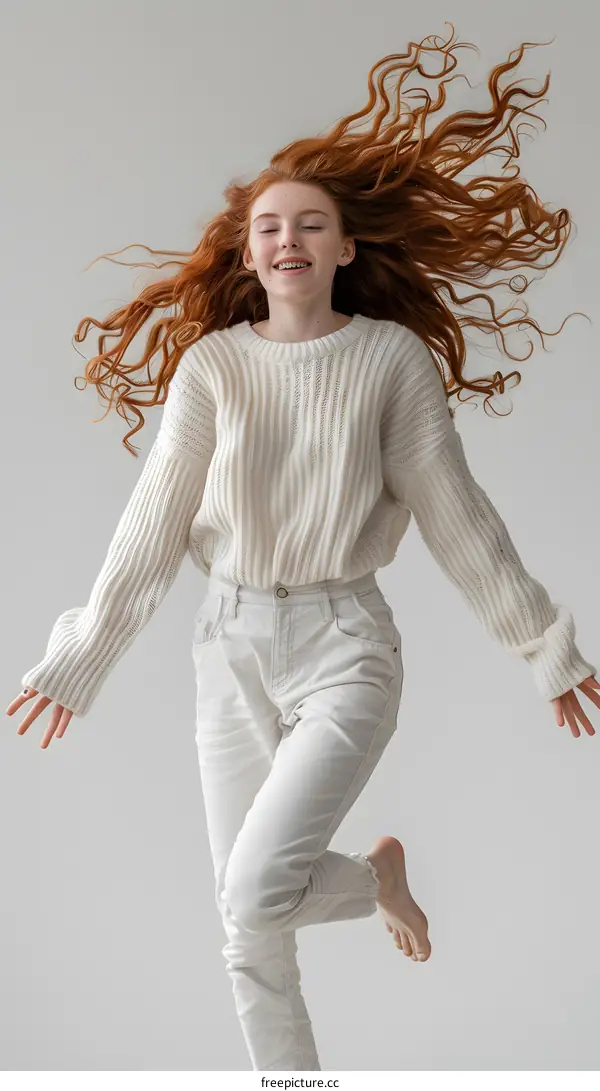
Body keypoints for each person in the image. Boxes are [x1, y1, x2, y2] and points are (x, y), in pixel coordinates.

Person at [6, 26, 599, 1072]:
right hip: (227, 640)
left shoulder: (388, 360)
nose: (287, 239)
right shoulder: (212, 371)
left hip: (344, 643)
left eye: (309, 224)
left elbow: (458, 516)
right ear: (248, 254)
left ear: (341, 249)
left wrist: (544, 644)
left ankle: (374, 879)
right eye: (267, 226)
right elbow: (150, 527)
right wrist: (82, 650)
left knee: (251, 885)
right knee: (250, 926)